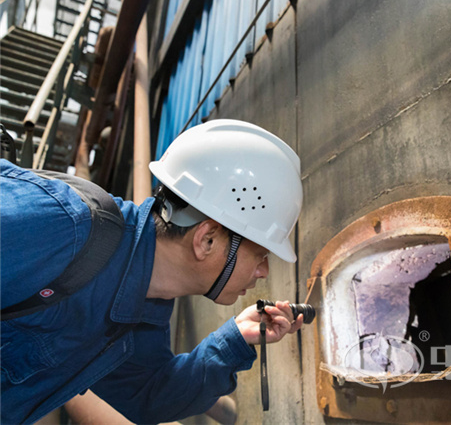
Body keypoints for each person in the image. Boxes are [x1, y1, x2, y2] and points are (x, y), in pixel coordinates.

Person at [1, 119, 304, 424]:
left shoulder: (145, 304)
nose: (263, 271)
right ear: (206, 239)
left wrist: (235, 339)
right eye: (261, 255)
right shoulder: (62, 225)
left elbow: (146, 396)